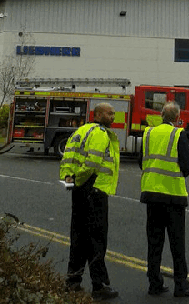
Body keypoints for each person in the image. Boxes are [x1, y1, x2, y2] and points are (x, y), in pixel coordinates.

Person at [60, 103, 120, 301]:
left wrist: (71, 181)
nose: (113, 117)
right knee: (96, 239)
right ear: (99, 114)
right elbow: (92, 165)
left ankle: (72, 281)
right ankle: (99, 285)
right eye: (110, 114)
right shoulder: (100, 133)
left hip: (78, 191)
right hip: (94, 191)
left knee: (78, 237)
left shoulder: (80, 131)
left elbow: (67, 161)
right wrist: (81, 180)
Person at [139, 101, 189, 298]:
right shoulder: (178, 134)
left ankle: (154, 283)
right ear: (177, 118)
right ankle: (181, 285)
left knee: (154, 242)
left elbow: (142, 162)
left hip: (151, 194)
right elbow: (186, 166)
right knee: (177, 244)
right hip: (173, 196)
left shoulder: (148, 133)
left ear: (160, 115)